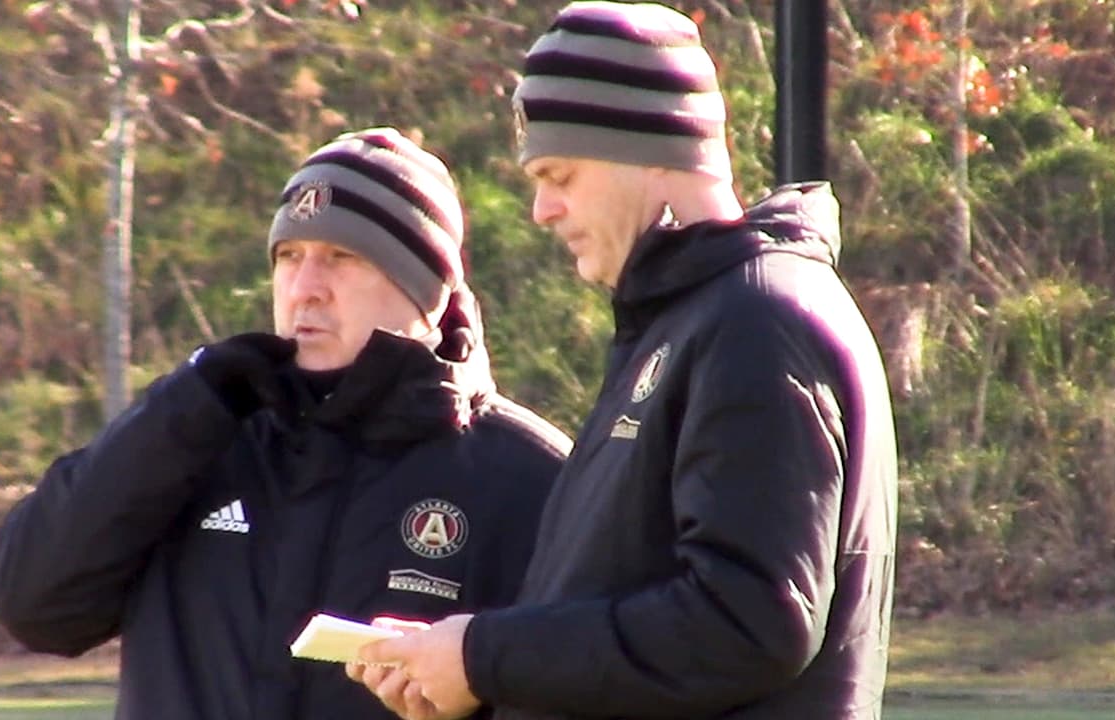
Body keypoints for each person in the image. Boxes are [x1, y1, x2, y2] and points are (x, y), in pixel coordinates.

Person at [350, 3, 899, 719]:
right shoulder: (687, 322)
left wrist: (484, 656)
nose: (542, 209)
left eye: (560, 174)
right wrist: (467, 677)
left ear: (645, 151)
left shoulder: (756, 322)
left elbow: (747, 625)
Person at [0, 127, 571, 720]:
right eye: (290, 257)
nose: (305, 289)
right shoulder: (194, 436)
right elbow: (35, 607)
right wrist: (180, 410)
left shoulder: (530, 478)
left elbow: (580, 690)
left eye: (344, 257)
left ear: (427, 293)